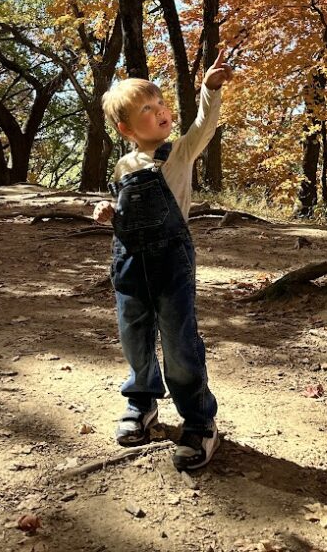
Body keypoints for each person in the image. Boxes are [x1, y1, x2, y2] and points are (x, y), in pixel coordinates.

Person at [94, 49, 234, 471]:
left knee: (178, 339)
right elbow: (125, 208)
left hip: (172, 258)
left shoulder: (179, 152)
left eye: (160, 104)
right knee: (133, 335)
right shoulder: (122, 166)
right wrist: (108, 213)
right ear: (126, 128)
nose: (159, 112)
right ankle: (142, 403)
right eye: (146, 110)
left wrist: (209, 89)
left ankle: (198, 420)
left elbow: (203, 126)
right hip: (129, 261)